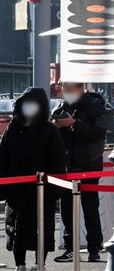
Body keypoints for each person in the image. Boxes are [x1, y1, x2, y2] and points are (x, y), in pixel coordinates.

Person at [0, 87, 65, 270]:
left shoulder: (50, 131)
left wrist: (54, 191)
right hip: (16, 190)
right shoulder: (13, 128)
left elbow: (58, 162)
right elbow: (3, 157)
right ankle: (19, 264)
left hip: (41, 191)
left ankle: (40, 263)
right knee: (16, 229)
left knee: (41, 229)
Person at [52, 82, 111, 263]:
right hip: (68, 166)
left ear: (80, 88)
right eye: (64, 90)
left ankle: (94, 248)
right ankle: (70, 248)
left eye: (70, 90)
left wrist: (74, 124)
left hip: (89, 165)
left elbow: (99, 132)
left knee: (90, 207)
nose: (67, 93)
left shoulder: (95, 105)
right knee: (67, 209)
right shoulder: (62, 106)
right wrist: (55, 125)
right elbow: (52, 132)